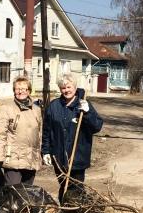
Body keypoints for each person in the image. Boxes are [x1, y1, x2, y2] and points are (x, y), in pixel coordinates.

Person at [41, 73, 103, 203]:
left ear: (75, 87)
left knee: (76, 189)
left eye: (69, 87)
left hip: (78, 157)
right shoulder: (54, 106)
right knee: (64, 186)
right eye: (63, 88)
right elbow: (47, 131)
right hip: (59, 157)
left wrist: (87, 113)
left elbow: (97, 126)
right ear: (59, 89)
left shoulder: (83, 104)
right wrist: (45, 151)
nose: (66, 90)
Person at [0, 76, 42, 186]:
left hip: (31, 159)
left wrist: (41, 155)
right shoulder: (7, 109)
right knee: (13, 193)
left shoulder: (37, 110)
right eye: (17, 89)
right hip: (13, 159)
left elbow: (39, 134)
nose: (21, 92)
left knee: (27, 195)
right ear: (14, 91)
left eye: (24, 89)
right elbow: (0, 135)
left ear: (29, 91)